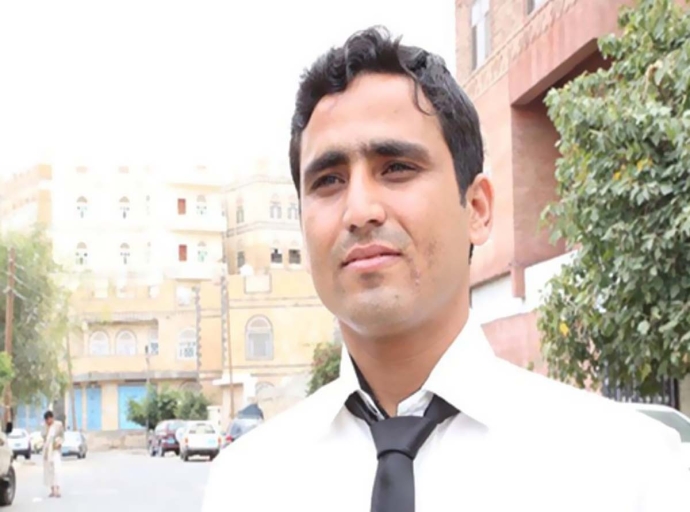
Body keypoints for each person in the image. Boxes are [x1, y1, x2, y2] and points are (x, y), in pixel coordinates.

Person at [203, 26, 689, 512]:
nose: (359, 210)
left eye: (396, 168)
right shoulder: (246, 485)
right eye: (328, 180)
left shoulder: (629, 471)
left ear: (476, 208)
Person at [42, 410, 64, 498]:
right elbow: (43, 436)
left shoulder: (58, 425)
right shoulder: (44, 427)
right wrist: (47, 428)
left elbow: (62, 436)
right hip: (47, 451)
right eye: (46, 420)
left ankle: (57, 490)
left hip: (55, 450)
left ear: (52, 418)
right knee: (49, 471)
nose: (48, 421)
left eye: (49, 419)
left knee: (57, 470)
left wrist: (59, 443)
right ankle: (52, 490)